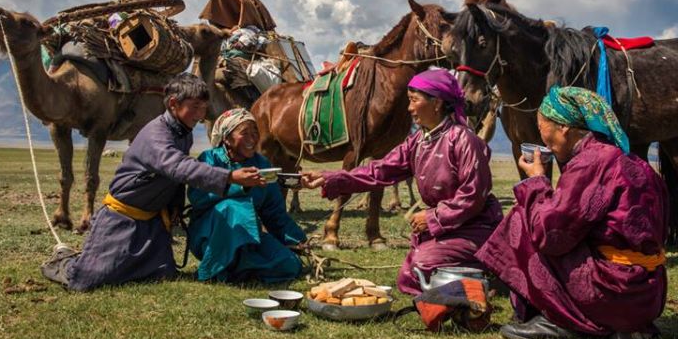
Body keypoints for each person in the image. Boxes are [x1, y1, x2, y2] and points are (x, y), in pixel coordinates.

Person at [476, 85, 668, 339]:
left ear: (564, 127)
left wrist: (536, 182)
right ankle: (622, 326)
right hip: (649, 294)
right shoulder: (631, 161)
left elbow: (550, 236)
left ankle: (560, 319)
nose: (545, 143)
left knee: (522, 219)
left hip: (614, 294)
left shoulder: (590, 163)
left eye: (545, 132)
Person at [40, 73, 263, 291]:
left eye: (204, 107)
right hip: (121, 218)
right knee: (84, 280)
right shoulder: (157, 135)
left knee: (161, 273)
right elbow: (177, 166)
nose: (201, 114)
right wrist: (229, 177)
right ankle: (62, 260)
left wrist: (175, 204)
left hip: (151, 224)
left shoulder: (184, 132)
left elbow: (174, 177)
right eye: (195, 106)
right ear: (174, 104)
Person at [301, 68, 503, 295]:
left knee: (420, 267)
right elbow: (378, 171)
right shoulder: (419, 140)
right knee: (412, 271)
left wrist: (432, 217)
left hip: (474, 228)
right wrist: (331, 178)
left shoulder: (464, 139)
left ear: (436, 103)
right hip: (446, 228)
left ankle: (487, 271)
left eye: (414, 100)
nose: (409, 108)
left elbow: (473, 196)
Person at [187, 108, 307, 283]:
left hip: (249, 235)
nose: (252, 138)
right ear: (226, 138)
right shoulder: (210, 159)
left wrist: (297, 240)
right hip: (211, 235)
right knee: (233, 208)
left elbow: (274, 212)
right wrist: (239, 186)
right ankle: (214, 270)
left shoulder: (262, 164)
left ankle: (237, 271)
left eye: (255, 132)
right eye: (244, 133)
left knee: (292, 264)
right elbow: (198, 196)